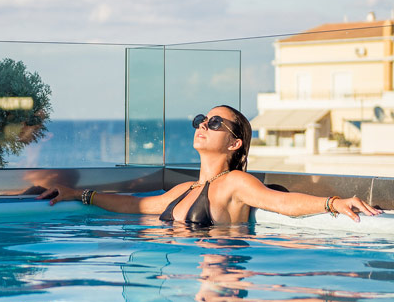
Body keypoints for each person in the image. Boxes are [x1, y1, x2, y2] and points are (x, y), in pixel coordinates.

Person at [38, 104, 381, 225]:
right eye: (203, 119)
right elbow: (134, 205)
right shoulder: (184, 189)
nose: (204, 124)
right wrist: (78, 194)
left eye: (216, 123)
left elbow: (279, 203)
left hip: (220, 284)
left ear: (235, 144)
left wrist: (333, 202)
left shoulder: (234, 182)